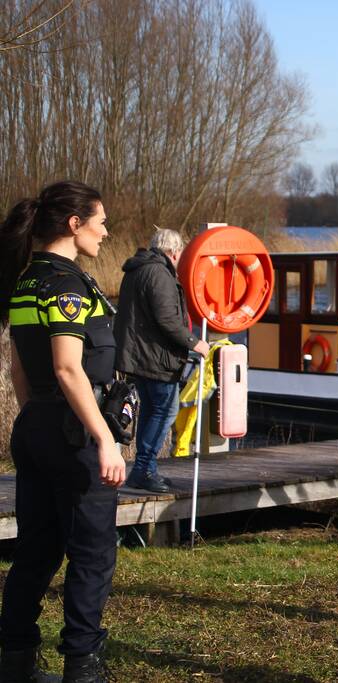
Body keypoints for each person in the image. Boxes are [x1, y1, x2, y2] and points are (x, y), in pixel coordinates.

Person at [0, 181, 127, 683]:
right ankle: (83, 666)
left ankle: (16, 658)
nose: (106, 230)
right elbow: (69, 368)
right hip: (75, 434)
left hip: (36, 428)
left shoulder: (26, 281)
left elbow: (18, 372)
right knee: (92, 553)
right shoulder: (69, 286)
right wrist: (104, 438)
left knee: (36, 547)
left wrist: (39, 419)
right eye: (100, 221)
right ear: (74, 225)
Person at [114, 228, 209, 492]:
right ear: (175, 251)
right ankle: (143, 468)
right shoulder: (159, 273)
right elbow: (167, 319)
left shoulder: (137, 270)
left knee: (151, 410)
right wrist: (194, 342)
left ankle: (146, 470)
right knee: (165, 410)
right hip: (157, 359)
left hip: (139, 357)